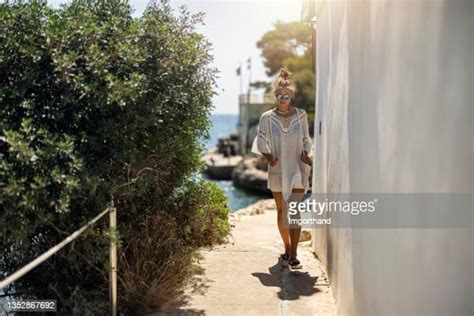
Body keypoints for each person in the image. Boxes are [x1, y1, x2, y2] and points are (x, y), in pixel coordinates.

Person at [251, 67, 313, 269]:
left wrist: (307, 155)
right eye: (279, 95)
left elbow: (306, 140)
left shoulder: (301, 116)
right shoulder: (267, 118)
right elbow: (260, 142)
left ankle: (294, 253)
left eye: (286, 95)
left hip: (298, 168)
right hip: (277, 170)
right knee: (281, 212)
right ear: (275, 96)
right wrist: (269, 156)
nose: (283, 98)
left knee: (294, 210)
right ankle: (286, 247)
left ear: (291, 96)